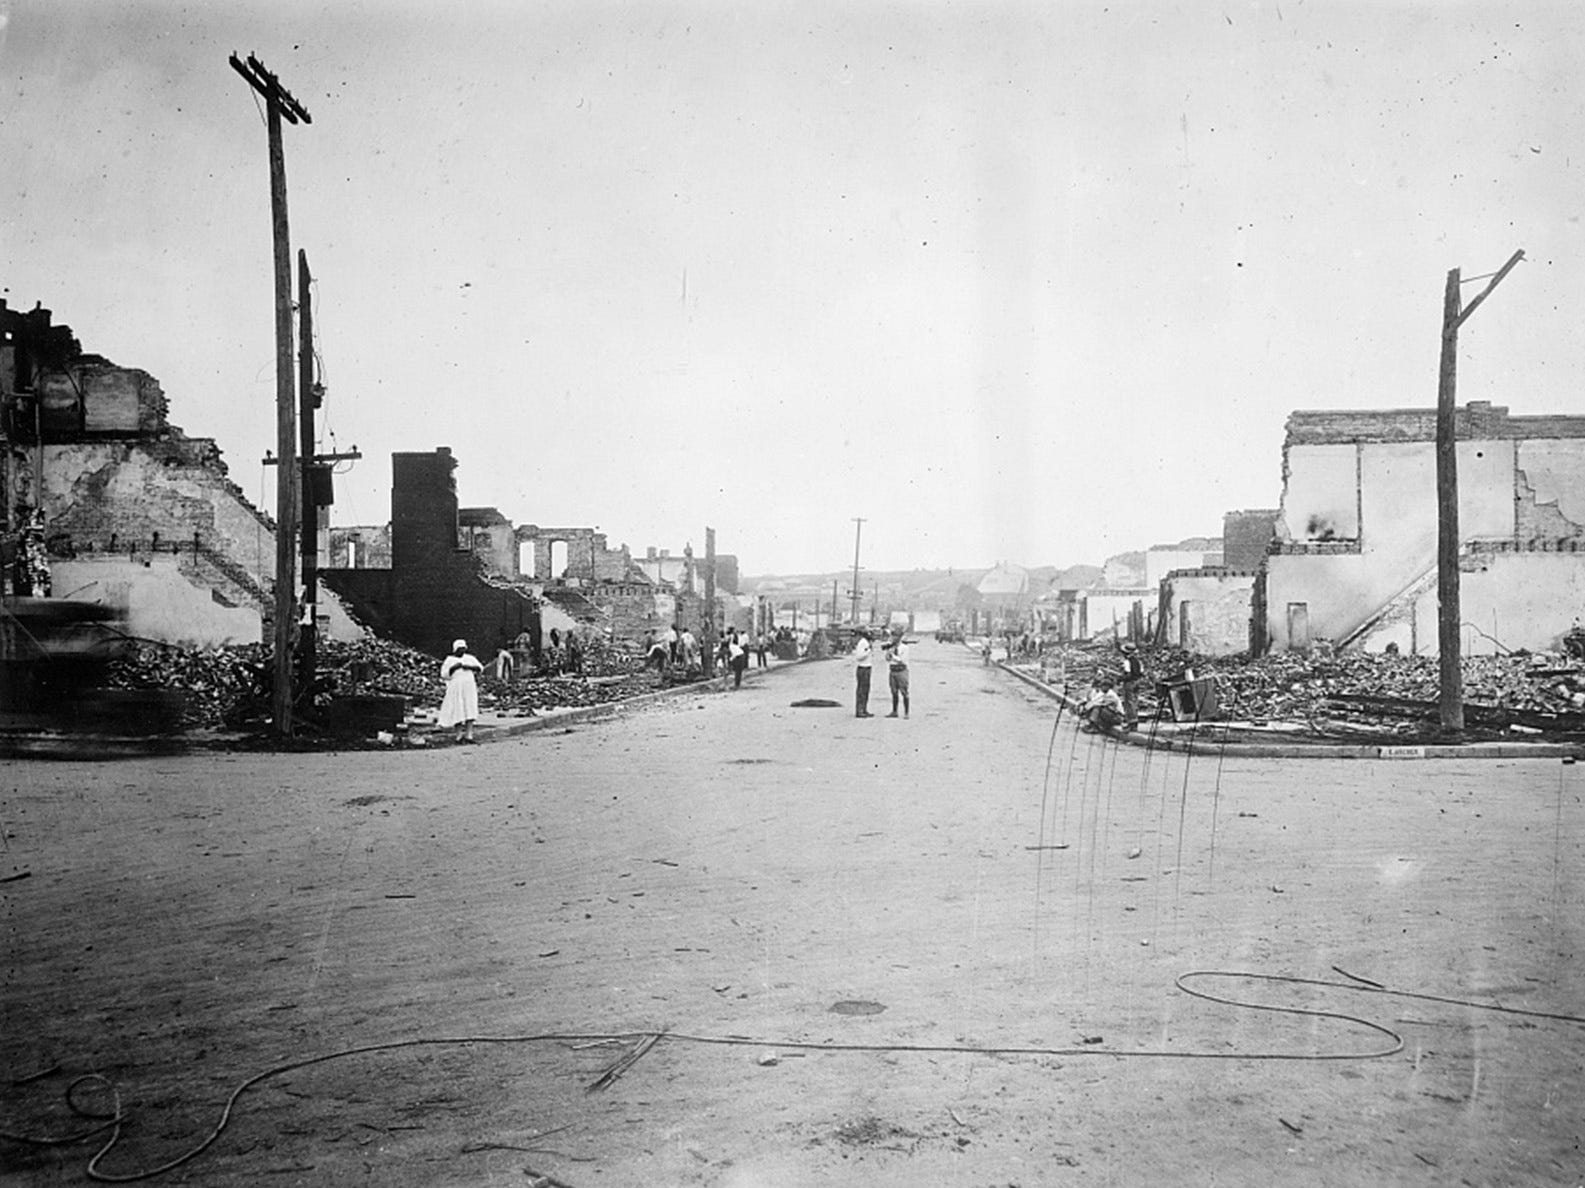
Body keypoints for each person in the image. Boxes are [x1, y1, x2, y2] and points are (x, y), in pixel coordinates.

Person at [439, 639, 483, 744]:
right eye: (459, 649)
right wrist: (453, 668)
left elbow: (480, 668)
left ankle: (469, 735)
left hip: (469, 686)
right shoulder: (449, 660)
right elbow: (444, 675)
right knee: (458, 710)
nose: (462, 651)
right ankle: (458, 736)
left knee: (470, 709)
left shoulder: (470, 658)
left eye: (463, 649)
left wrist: (469, 667)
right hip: (456, 687)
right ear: (455, 649)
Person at [883, 629, 911, 718]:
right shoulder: (891, 647)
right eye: (893, 636)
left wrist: (893, 656)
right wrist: (888, 653)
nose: (894, 638)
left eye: (895, 636)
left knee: (904, 692)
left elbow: (902, 660)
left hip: (901, 670)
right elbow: (887, 659)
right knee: (894, 692)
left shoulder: (904, 648)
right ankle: (894, 711)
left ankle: (906, 712)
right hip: (893, 670)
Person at [1117, 641, 1145, 732]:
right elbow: (1141, 673)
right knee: (1135, 702)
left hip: (1130, 683)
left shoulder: (1127, 662)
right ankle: (1134, 723)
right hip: (1138, 682)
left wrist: (1120, 678)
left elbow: (1128, 674)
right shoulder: (1138, 661)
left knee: (1129, 703)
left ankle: (1132, 723)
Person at [853, 628, 874, 717]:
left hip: (867, 667)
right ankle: (860, 710)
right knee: (861, 690)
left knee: (866, 690)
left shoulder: (866, 642)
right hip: (863, 668)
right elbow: (859, 656)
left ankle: (864, 709)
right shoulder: (862, 643)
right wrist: (868, 651)